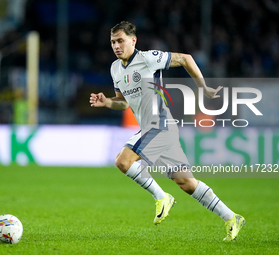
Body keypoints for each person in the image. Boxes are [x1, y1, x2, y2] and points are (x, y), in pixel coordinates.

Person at [90, 21, 245, 242]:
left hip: (160, 124)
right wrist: (106, 102)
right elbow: (123, 103)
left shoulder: (148, 58)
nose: (116, 45)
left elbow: (185, 58)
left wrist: (203, 87)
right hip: (155, 129)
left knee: (122, 161)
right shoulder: (115, 68)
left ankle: (162, 196)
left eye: (120, 41)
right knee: (187, 183)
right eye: (113, 42)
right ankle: (232, 217)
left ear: (133, 41)